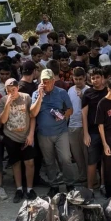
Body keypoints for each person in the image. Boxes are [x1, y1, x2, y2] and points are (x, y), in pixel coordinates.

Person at [30, 68, 76, 196]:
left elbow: (70, 110)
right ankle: (53, 185)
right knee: (49, 161)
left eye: (49, 81)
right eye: (43, 81)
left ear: (53, 81)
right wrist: (40, 96)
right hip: (44, 133)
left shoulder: (61, 92)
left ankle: (69, 183)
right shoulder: (35, 94)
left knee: (66, 158)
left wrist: (62, 114)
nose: (46, 84)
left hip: (61, 131)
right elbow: (33, 113)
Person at [0, 78, 36, 203]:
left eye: (13, 90)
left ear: (18, 88)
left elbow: (32, 117)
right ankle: (19, 189)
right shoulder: (3, 100)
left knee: (29, 162)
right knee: (15, 163)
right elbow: (3, 120)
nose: (12, 92)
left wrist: (31, 134)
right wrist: (8, 103)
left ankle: (30, 189)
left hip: (26, 136)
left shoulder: (26, 98)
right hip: (11, 136)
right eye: (9, 91)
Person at [82, 68, 108, 190]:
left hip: (107, 131)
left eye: (98, 77)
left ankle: (103, 185)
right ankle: (90, 188)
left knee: (105, 160)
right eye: (93, 78)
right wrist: (86, 133)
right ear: (89, 79)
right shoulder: (87, 93)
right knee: (92, 161)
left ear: (102, 78)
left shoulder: (108, 92)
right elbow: (84, 114)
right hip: (92, 132)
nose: (95, 80)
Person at [67, 67, 88, 185]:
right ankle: (82, 175)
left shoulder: (89, 90)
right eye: (76, 79)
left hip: (85, 126)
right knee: (76, 154)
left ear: (85, 78)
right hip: (72, 125)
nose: (78, 81)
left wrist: (83, 97)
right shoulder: (70, 90)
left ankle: (91, 178)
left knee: (87, 153)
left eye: (80, 79)